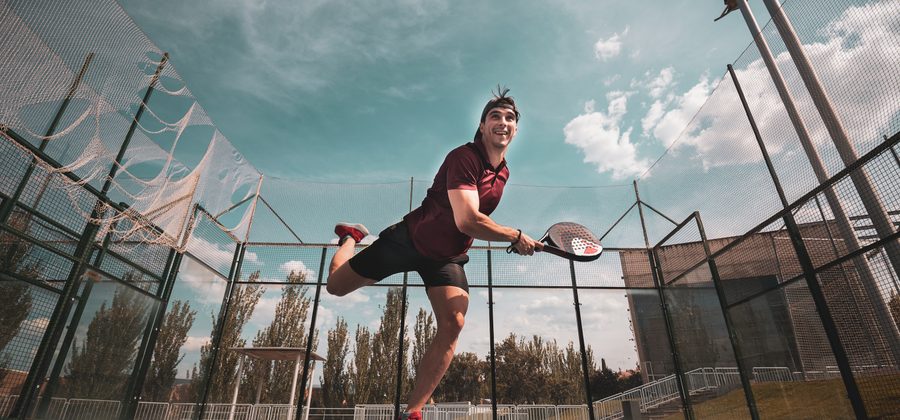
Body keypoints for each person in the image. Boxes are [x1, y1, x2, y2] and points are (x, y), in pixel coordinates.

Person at [326, 87, 542, 420]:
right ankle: (350, 237)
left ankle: (412, 411)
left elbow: (474, 222)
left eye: (510, 118)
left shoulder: (504, 173)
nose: (503, 122)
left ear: (516, 129)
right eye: (495, 116)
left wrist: (512, 238)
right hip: (410, 240)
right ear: (482, 126)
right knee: (336, 286)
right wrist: (514, 234)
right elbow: (468, 219)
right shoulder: (464, 158)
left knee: (454, 321)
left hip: (447, 258)